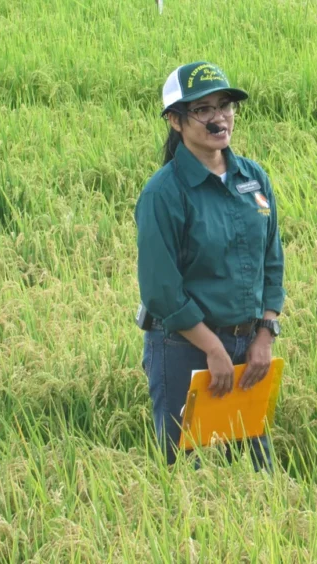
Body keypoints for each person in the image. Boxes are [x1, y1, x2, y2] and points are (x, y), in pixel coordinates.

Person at [134, 61, 285, 471]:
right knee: (187, 473)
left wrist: (265, 334)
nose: (219, 118)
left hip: (248, 348)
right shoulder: (164, 193)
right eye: (202, 109)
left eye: (225, 106)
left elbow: (272, 261)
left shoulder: (252, 178)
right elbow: (161, 290)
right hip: (184, 349)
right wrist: (213, 349)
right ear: (175, 120)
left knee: (257, 472)